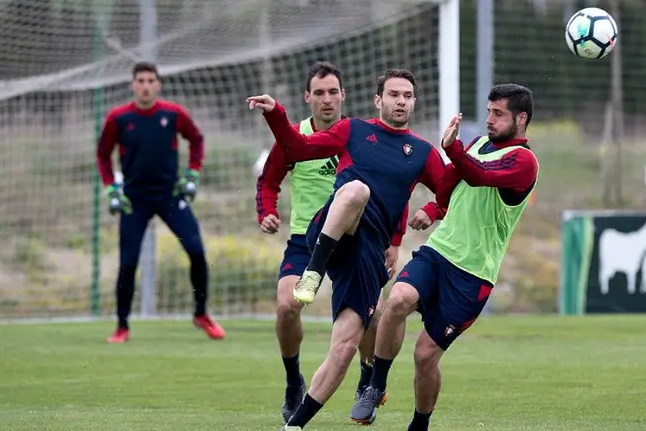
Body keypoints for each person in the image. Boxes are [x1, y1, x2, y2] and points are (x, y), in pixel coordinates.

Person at [247, 68, 446, 430]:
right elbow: (297, 148)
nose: (400, 101)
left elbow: (451, 194)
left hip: (367, 253)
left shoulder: (421, 152)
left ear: (414, 101)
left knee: (344, 347)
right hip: (328, 232)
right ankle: (313, 273)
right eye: (393, 94)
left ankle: (295, 425)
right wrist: (276, 113)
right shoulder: (354, 130)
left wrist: (430, 211)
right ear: (378, 100)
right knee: (356, 191)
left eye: (407, 96)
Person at [350, 83, 539, 430]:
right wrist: (436, 206)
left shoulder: (524, 161)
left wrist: (452, 148)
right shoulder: (481, 143)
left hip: (472, 274)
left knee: (424, 357)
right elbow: (453, 178)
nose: (490, 120)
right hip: (439, 251)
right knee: (397, 299)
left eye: (498, 114)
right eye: (488, 112)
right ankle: (375, 384)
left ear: (521, 118)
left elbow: (479, 175)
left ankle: (419, 424)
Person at [96, 61, 225, 344]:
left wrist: (192, 173)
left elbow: (197, 140)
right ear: (132, 85)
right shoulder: (118, 118)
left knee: (196, 251)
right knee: (128, 263)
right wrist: (111, 189)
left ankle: (201, 314)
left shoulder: (173, 114)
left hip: (170, 195)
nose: (145, 85)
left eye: (150, 80)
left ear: (158, 84)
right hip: (134, 199)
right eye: (140, 80)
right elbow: (103, 155)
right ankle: (122, 326)